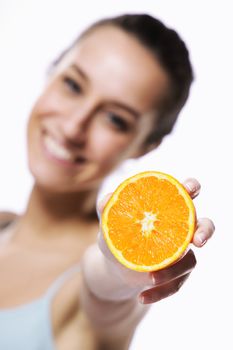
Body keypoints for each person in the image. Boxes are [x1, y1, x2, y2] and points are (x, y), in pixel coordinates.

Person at [0, 13, 215, 350]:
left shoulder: (91, 278)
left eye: (115, 119)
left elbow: (105, 288)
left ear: (145, 146)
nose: (73, 128)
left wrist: (122, 270)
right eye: (73, 85)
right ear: (52, 73)